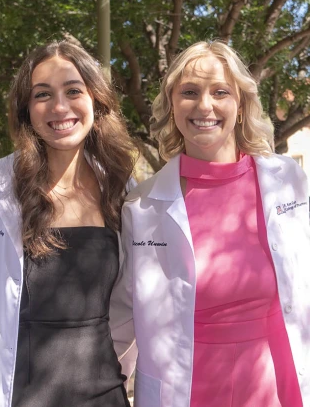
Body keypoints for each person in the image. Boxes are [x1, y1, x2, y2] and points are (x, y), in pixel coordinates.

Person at [121, 40, 309, 406]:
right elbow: (123, 314)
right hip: (185, 389)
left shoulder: (288, 181)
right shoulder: (142, 206)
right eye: (189, 92)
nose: (204, 105)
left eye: (220, 92)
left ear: (239, 105)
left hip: (274, 383)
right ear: (173, 105)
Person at [0, 41, 137, 407]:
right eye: (42, 95)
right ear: (26, 109)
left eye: (73, 91)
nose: (59, 107)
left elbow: (128, 302)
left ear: (96, 101)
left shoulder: (121, 186)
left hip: (104, 394)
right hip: (15, 394)